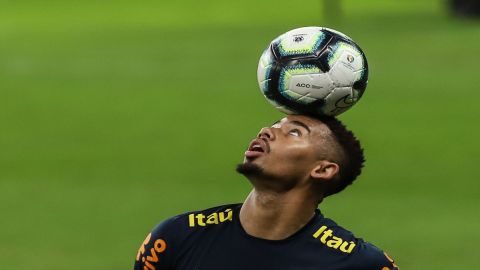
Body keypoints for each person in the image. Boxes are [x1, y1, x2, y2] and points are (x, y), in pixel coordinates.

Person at [134, 114, 399, 270]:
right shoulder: (176, 239)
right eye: (274, 124)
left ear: (323, 169)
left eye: (294, 132)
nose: (267, 131)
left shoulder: (358, 264)